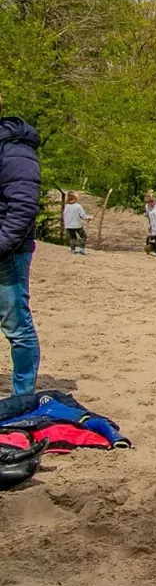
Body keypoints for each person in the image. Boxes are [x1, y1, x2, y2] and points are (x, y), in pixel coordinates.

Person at [0, 104, 42, 397]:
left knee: (17, 327)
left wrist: (1, 245)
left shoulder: (15, 150)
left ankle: (23, 397)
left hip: (8, 254)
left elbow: (24, 206)